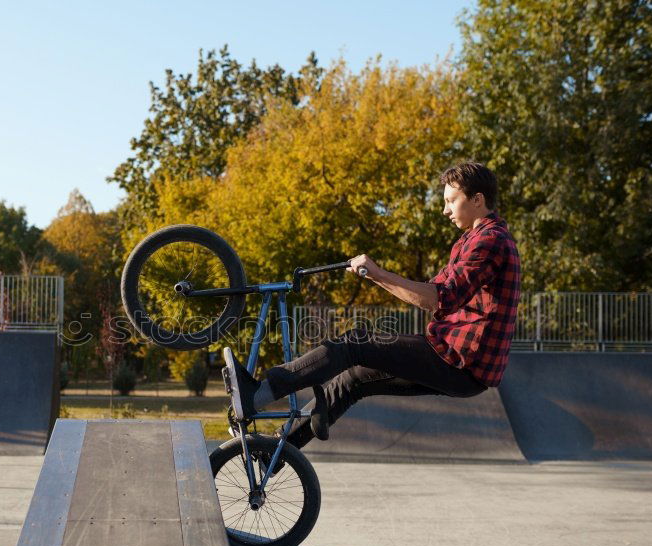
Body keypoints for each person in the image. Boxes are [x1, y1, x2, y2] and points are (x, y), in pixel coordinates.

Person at [223, 161, 521, 449]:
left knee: (355, 343)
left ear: (478, 199)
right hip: (458, 364)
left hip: (458, 361)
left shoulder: (489, 241)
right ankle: (278, 451)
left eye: (451, 201)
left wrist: (378, 272)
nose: (445, 210)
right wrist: (374, 276)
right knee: (354, 379)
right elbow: (427, 296)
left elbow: (436, 298)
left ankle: (259, 394)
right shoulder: (471, 240)